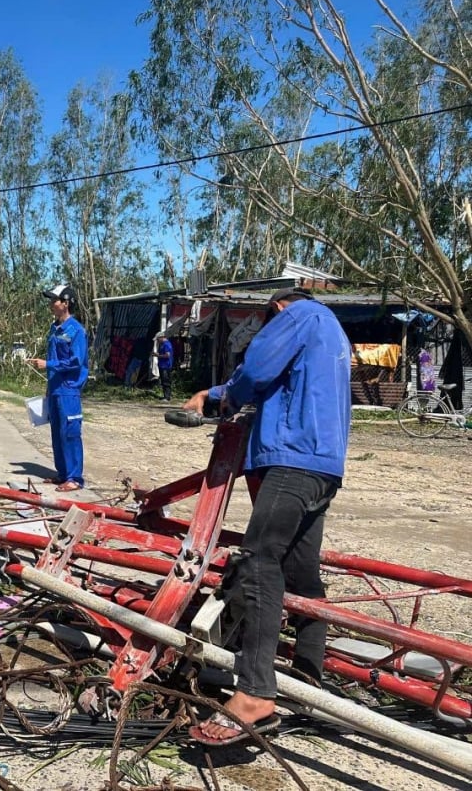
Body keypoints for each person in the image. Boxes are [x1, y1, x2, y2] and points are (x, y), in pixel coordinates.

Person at [182, 287, 351, 746]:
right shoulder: (330, 332)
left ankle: (256, 692)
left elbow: (256, 369)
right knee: (302, 575)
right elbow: (269, 380)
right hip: (321, 465)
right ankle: (307, 681)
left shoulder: (300, 315)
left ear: (277, 308)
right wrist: (214, 394)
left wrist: (226, 395)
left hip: (292, 459)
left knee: (258, 560)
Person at [29, 284, 89, 492]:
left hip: (69, 389)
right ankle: (62, 473)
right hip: (54, 388)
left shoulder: (76, 331)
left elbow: (76, 361)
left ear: (66, 303)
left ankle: (74, 478)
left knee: (70, 432)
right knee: (57, 433)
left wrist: (48, 364)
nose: (50, 304)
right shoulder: (54, 329)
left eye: (54, 300)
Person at [156, 332, 174, 402]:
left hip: (166, 366)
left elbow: (167, 355)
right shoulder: (163, 344)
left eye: (158, 339)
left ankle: (167, 397)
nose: (157, 341)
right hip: (162, 365)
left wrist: (158, 356)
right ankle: (165, 396)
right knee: (163, 381)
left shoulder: (167, 344)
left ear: (161, 337)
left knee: (166, 381)